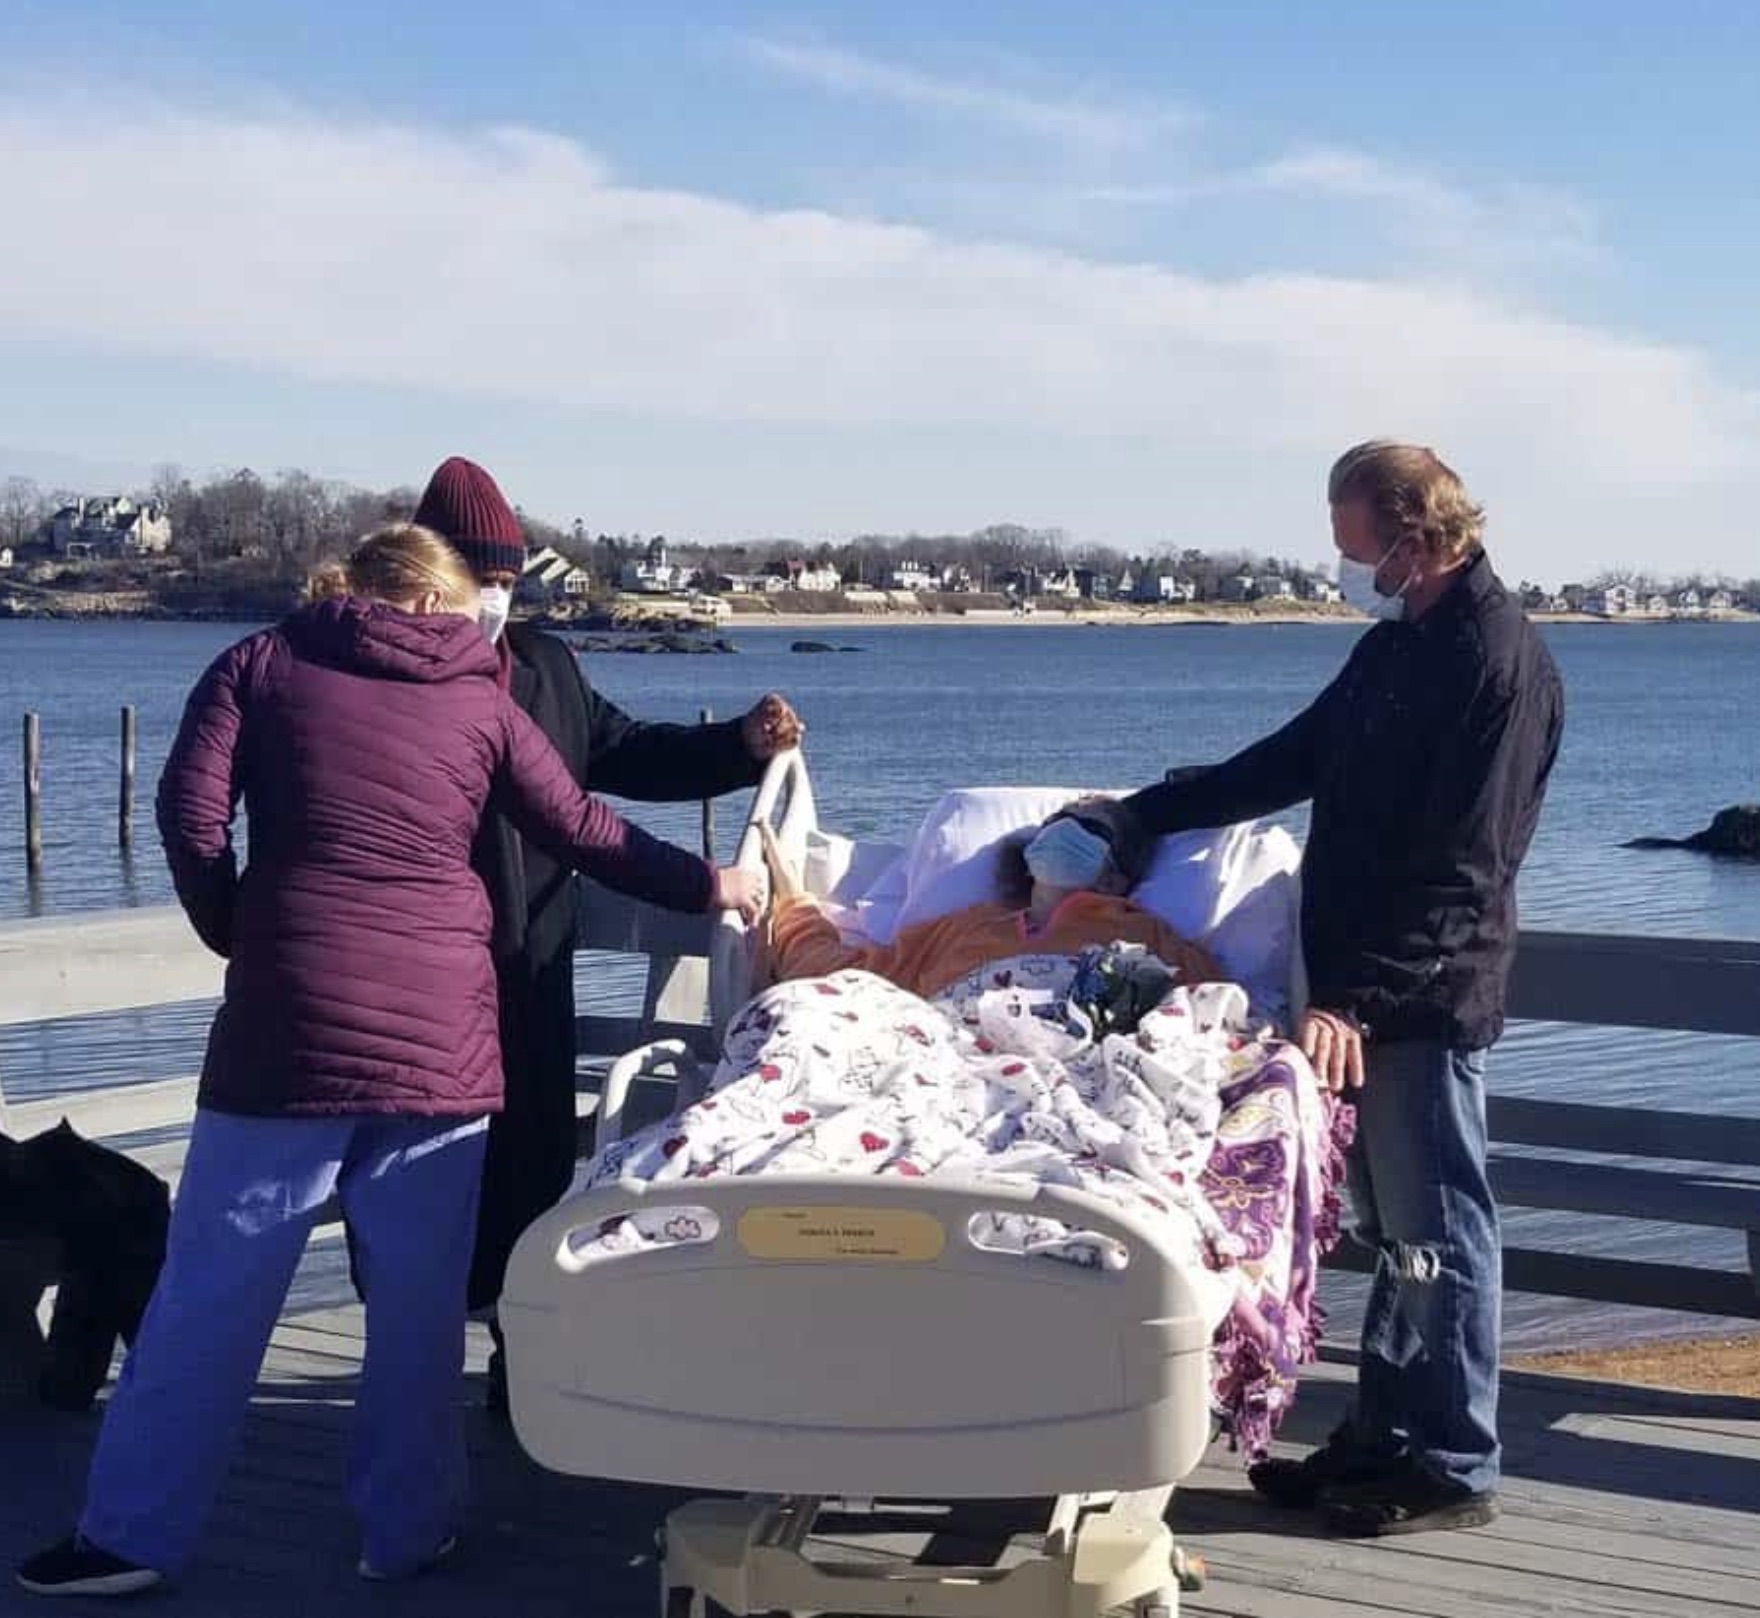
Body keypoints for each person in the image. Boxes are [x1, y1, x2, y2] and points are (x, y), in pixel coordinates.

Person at [16, 525, 760, 1599]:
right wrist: (713, 888)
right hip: (443, 1047)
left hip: (286, 1039)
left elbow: (188, 817)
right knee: (417, 1316)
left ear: (355, 591)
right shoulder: (479, 697)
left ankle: (128, 1536)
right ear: (441, 602)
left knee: (207, 1302)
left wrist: (241, 925)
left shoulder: (259, 665)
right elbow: (587, 828)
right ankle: (403, 1532)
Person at [1124, 441, 1563, 1538]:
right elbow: (1283, 762)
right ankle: (1384, 1431)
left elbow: (1462, 867)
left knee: (1441, 1228)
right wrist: (1139, 812)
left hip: (1411, 998)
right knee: (1388, 1228)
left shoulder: (1493, 662)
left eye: (1353, 539)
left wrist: (1352, 1002)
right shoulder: (1391, 653)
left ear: (1413, 533)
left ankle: (1452, 1457)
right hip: (1352, 1001)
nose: (1343, 560)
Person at [401, 457, 802, 1412]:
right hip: (425, 973)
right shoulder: (391, 684)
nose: (492, 601)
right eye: (476, 580)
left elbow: (625, 754)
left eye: (504, 582)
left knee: (535, 1164)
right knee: (421, 1186)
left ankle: (521, 1359)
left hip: (534, 963)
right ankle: (410, 1372)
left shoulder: (545, 668)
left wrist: (739, 746)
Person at [761, 796, 1218, 998]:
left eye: (1089, 826)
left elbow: (1214, 1011)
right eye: (1057, 820)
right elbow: (845, 979)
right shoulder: (964, 928)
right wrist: (792, 899)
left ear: (1118, 874)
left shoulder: (1144, 934)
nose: (1062, 828)